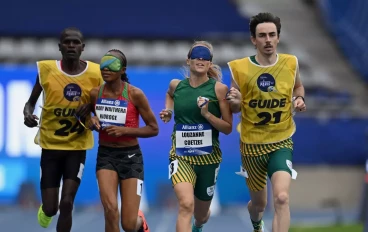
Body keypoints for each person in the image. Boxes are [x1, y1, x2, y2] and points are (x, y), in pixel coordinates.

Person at [227, 12, 307, 232]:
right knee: (259, 204)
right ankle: (256, 223)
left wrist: (299, 98)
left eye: (272, 34)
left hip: (282, 141)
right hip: (251, 146)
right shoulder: (239, 68)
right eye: (262, 35)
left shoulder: (291, 63)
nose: (268, 40)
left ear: (278, 37)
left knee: (281, 198)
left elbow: (298, 87)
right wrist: (235, 101)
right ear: (254, 40)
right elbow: (233, 108)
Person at [23, 27, 104, 232]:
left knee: (66, 203)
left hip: (76, 148)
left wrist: (93, 110)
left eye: (75, 42)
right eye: (67, 42)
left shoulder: (95, 73)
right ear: (60, 47)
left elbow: (105, 106)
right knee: (52, 208)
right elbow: (30, 102)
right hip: (50, 147)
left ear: (82, 47)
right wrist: (27, 114)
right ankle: (46, 210)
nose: (71, 45)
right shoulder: (47, 70)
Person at [160, 41, 233, 232]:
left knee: (201, 214)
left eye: (205, 58)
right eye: (197, 56)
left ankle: (198, 225)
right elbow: (169, 95)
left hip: (209, 158)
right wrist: (168, 110)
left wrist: (207, 114)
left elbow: (227, 128)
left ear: (210, 64)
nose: (200, 60)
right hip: (181, 155)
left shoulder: (219, 90)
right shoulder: (176, 85)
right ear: (188, 60)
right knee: (185, 204)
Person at [88, 49, 158, 232]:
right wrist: (91, 120)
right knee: (110, 210)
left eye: (112, 66)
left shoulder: (135, 94)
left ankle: (140, 222)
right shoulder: (95, 94)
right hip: (106, 156)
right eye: (103, 65)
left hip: (131, 157)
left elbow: (153, 128)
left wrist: (124, 130)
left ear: (123, 70)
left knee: (128, 224)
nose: (106, 69)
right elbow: (84, 117)